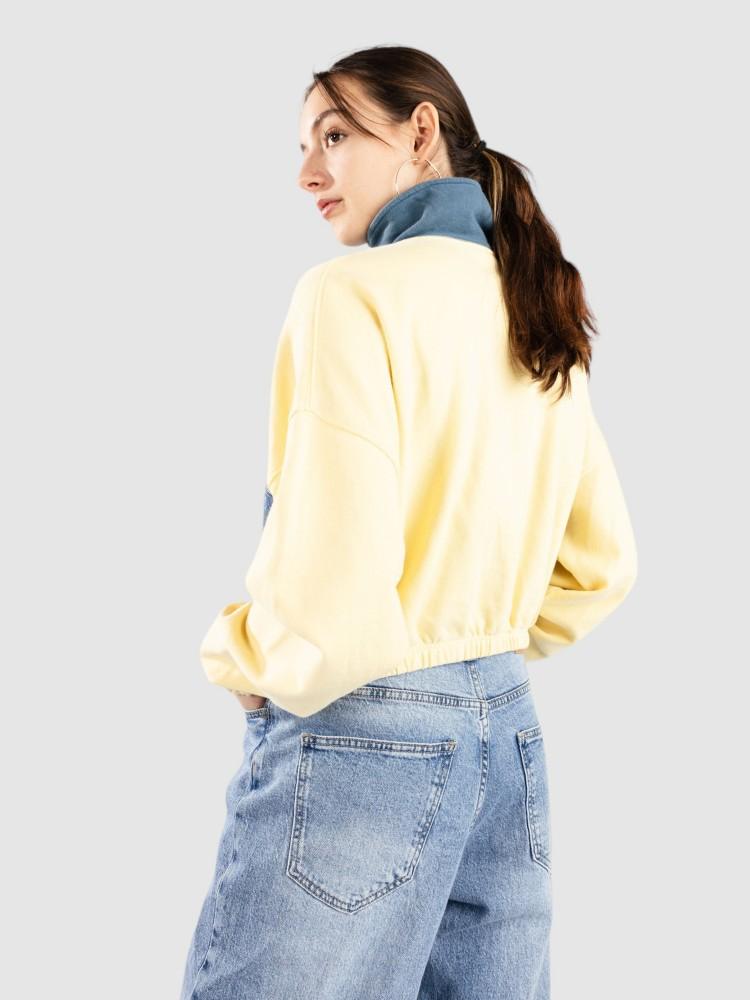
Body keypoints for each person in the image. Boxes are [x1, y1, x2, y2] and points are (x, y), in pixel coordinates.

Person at [179, 45, 638, 1000]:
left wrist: (244, 657)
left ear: (420, 131)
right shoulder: (535, 305)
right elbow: (601, 565)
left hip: (362, 733)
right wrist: (469, 648)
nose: (308, 173)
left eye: (333, 136)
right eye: (303, 147)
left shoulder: (347, 296)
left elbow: (330, 596)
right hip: (506, 736)